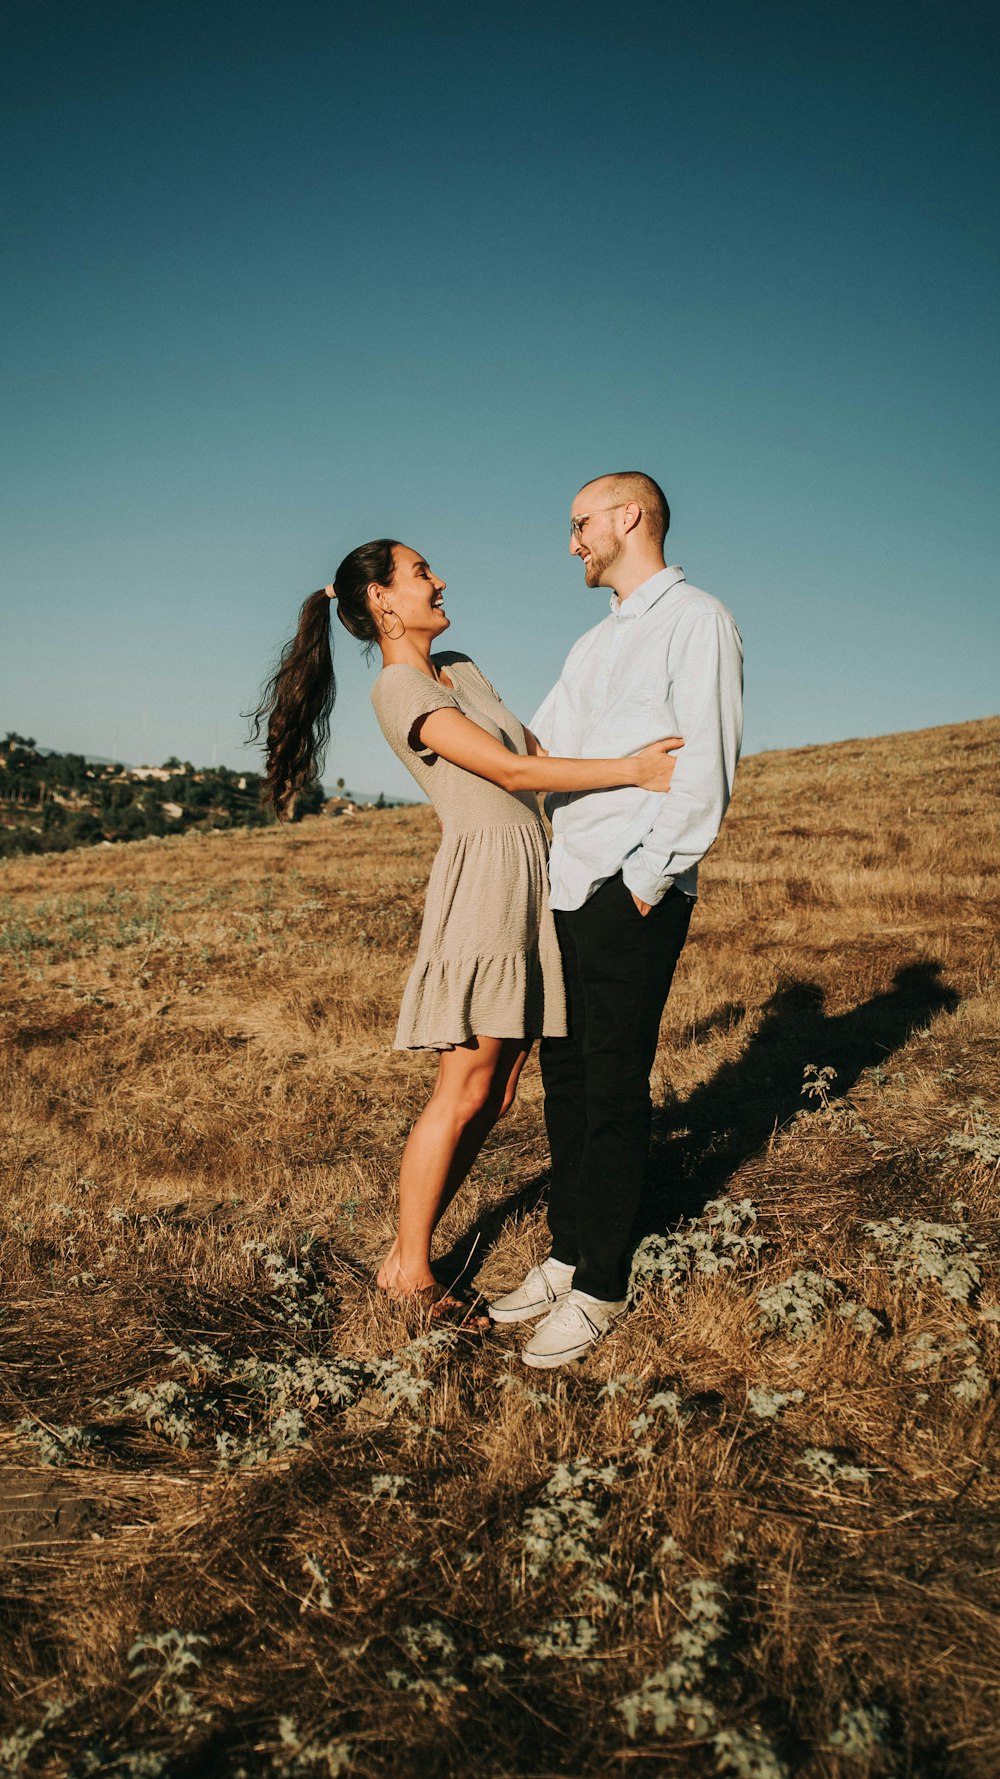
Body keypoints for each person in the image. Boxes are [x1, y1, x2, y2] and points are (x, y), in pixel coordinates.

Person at [252, 538, 683, 1312]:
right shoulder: (399, 689)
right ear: (382, 601)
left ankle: (404, 1255)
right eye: (420, 572)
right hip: (486, 881)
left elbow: (537, 749)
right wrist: (634, 770)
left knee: (502, 1084)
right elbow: (511, 773)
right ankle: (410, 1266)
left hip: (531, 873)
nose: (439, 577)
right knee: (465, 1082)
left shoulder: (461, 666)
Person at [489, 473, 744, 1367]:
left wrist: (648, 879)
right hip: (568, 883)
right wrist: (443, 681)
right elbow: (543, 750)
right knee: (567, 1077)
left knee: (613, 1078)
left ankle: (602, 1283)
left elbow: (708, 762)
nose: (572, 544)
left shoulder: (697, 621)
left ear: (628, 517)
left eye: (580, 525)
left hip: (627, 889)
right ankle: (566, 1252)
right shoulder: (593, 642)